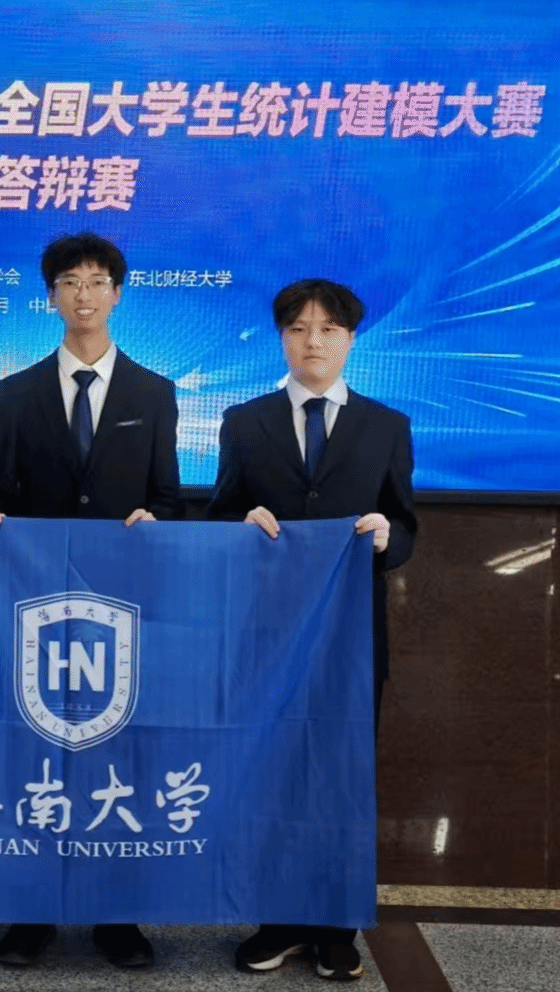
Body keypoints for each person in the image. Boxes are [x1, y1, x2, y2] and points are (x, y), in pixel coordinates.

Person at [0, 232, 181, 969]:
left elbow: (167, 496)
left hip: (123, 609)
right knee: (34, 752)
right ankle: (31, 911)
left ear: (117, 293)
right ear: (51, 297)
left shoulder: (154, 393)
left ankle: (116, 916)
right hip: (36, 607)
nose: (84, 293)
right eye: (70, 281)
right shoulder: (18, 392)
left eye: (97, 280)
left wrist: (156, 519)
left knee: (119, 753)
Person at [207, 277, 415, 981]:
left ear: (351, 340)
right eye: (298, 328)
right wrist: (240, 524)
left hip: (351, 637)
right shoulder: (245, 421)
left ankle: (336, 928)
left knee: (341, 777)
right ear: (282, 339)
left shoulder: (386, 426)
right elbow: (219, 513)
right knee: (270, 774)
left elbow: (406, 524)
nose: (313, 341)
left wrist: (387, 536)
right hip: (267, 634)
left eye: (328, 329)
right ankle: (277, 921)